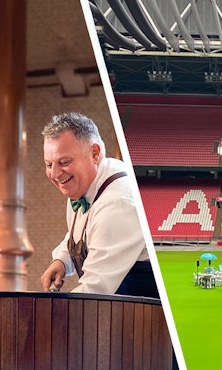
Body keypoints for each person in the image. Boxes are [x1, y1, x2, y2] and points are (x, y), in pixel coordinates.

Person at [39, 112, 158, 298]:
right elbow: (80, 235)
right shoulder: (82, 186)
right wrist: (61, 261)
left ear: (95, 153)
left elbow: (94, 289)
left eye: (64, 162)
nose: (55, 174)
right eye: (48, 164)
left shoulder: (117, 204)